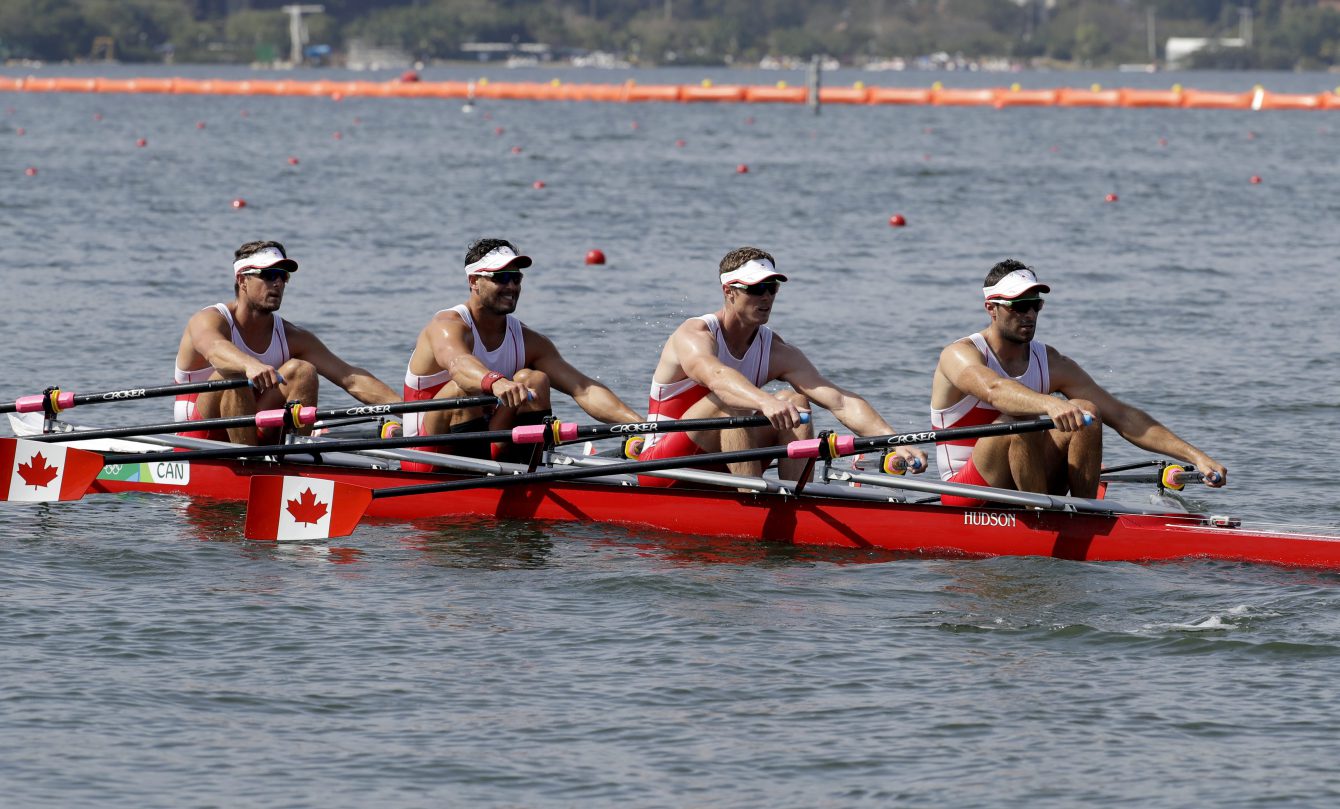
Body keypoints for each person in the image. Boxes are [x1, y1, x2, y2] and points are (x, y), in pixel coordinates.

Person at [929, 259, 1228, 506]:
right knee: (1020, 416)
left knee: (1087, 411)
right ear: (991, 307)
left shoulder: (1051, 361)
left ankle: (1085, 514)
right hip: (965, 492)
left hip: (1024, 478)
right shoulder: (959, 355)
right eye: (1019, 305)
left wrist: (1197, 456)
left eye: (1035, 304)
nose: (1029, 314)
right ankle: (1039, 517)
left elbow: (1122, 415)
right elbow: (995, 391)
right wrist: (1049, 403)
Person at [638, 246, 926, 487]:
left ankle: (795, 499)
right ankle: (752, 499)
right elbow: (716, 376)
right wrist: (763, 401)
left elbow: (839, 401)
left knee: (795, 400)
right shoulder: (694, 335)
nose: (766, 297)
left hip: (721, 462)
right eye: (756, 289)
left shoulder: (775, 349)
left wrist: (894, 440)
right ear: (729, 291)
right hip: (662, 466)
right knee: (732, 402)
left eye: (771, 288)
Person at [401, 238, 641, 471]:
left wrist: (644, 427)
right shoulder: (446, 326)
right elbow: (458, 364)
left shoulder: (527, 339)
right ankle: (480, 489)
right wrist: (495, 382)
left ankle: (523, 475)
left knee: (534, 380)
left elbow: (584, 389)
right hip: (423, 454)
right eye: (501, 278)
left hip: (486, 443)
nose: (512, 287)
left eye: (516, 278)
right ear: (474, 281)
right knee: (462, 389)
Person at [173, 240, 399, 444]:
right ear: (242, 280)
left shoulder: (292, 336)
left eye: (283, 276)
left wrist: (414, 415)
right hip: (198, 436)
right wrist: (248, 364)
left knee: (303, 370)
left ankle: (297, 456)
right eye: (270, 275)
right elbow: (214, 349)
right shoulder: (208, 319)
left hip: (254, 431)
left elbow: (351, 379)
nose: (278, 283)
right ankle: (249, 463)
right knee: (231, 374)